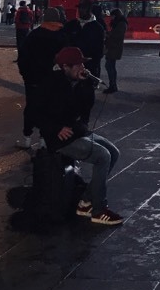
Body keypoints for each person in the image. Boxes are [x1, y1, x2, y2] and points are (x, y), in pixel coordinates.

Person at [39, 46, 122, 226]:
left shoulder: (79, 83)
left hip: (78, 132)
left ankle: (85, 202)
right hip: (60, 138)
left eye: (82, 65)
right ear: (64, 67)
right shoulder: (51, 83)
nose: (81, 69)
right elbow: (36, 112)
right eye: (76, 65)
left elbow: (85, 110)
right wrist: (56, 129)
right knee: (103, 157)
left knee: (114, 152)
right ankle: (99, 209)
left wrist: (86, 85)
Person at [16, 7, 67, 149]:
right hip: (54, 80)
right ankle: (44, 140)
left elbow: (23, 57)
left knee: (32, 107)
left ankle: (26, 137)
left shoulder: (34, 35)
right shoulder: (62, 36)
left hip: (34, 79)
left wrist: (25, 74)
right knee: (49, 109)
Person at [63, 0, 105, 78]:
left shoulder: (97, 27)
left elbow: (99, 51)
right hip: (71, 67)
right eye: (80, 8)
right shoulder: (71, 25)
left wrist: (92, 67)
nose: (81, 10)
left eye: (84, 8)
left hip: (89, 68)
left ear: (89, 9)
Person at [104, 9, 127, 94]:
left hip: (114, 48)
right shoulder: (120, 23)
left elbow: (116, 35)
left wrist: (108, 34)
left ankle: (112, 86)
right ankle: (112, 85)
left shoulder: (121, 24)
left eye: (113, 16)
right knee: (110, 66)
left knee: (110, 66)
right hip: (113, 48)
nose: (112, 18)